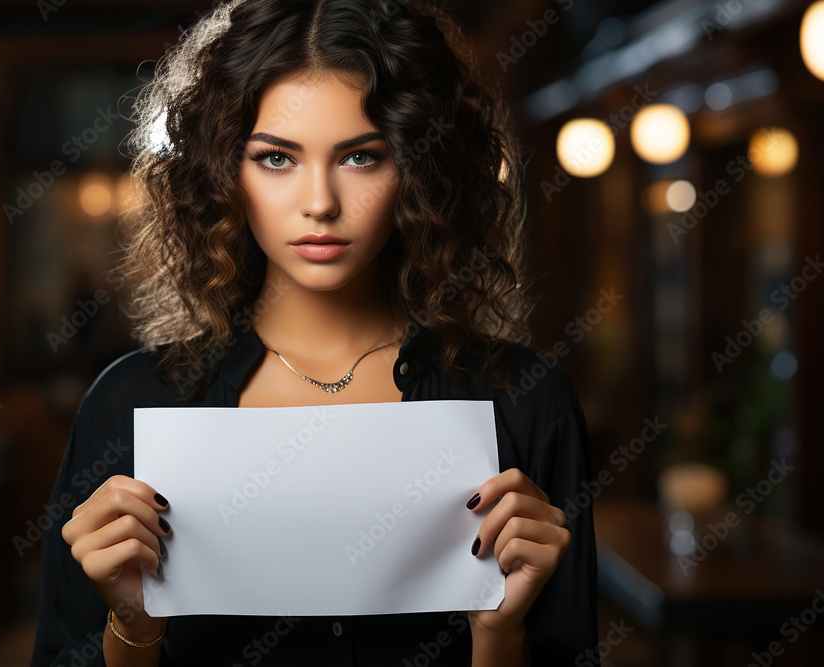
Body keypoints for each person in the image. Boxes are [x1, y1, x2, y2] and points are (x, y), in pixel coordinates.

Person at [30, 0, 598, 665]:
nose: (320, 202)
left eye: (361, 156)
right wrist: (132, 626)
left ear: (419, 168)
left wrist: (501, 636)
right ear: (224, 171)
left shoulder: (527, 401)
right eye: (277, 158)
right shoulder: (126, 406)